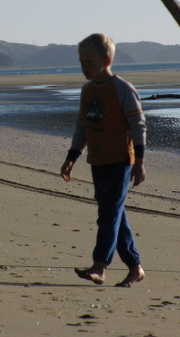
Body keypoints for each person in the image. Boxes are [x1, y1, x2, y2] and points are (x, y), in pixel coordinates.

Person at [60, 33, 147, 287]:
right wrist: (72, 157)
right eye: (81, 62)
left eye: (89, 62)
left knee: (108, 214)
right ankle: (135, 267)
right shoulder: (87, 91)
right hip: (97, 162)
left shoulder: (122, 89)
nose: (84, 67)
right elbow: (82, 127)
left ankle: (100, 266)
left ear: (106, 60)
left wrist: (140, 161)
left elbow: (138, 125)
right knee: (115, 214)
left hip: (121, 161)